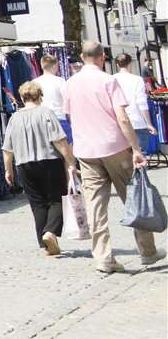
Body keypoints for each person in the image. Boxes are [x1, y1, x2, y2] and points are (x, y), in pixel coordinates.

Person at [67, 41, 162, 273]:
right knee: (133, 197)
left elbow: (70, 118)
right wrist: (136, 149)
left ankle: (103, 257)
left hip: (86, 151)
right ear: (102, 57)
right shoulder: (109, 81)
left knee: (95, 205)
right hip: (114, 147)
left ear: (82, 56)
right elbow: (122, 117)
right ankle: (147, 252)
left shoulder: (69, 83)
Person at [1, 80, 78, 255]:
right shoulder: (46, 113)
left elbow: (7, 149)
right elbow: (60, 141)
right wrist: (71, 161)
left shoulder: (14, 118)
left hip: (24, 165)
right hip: (49, 162)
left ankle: (47, 245)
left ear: (22, 97)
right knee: (57, 199)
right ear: (40, 96)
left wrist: (8, 170)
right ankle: (50, 232)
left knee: (37, 204)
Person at [113, 54, 156, 157]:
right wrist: (149, 123)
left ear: (117, 65)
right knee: (140, 157)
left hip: (119, 123)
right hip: (137, 122)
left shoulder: (112, 79)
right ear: (130, 64)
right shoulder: (137, 80)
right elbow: (142, 103)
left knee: (124, 160)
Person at [32, 54, 70, 141]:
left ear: (42, 66)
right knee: (66, 150)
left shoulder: (34, 82)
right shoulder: (61, 81)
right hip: (59, 119)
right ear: (54, 66)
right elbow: (67, 102)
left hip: (41, 121)